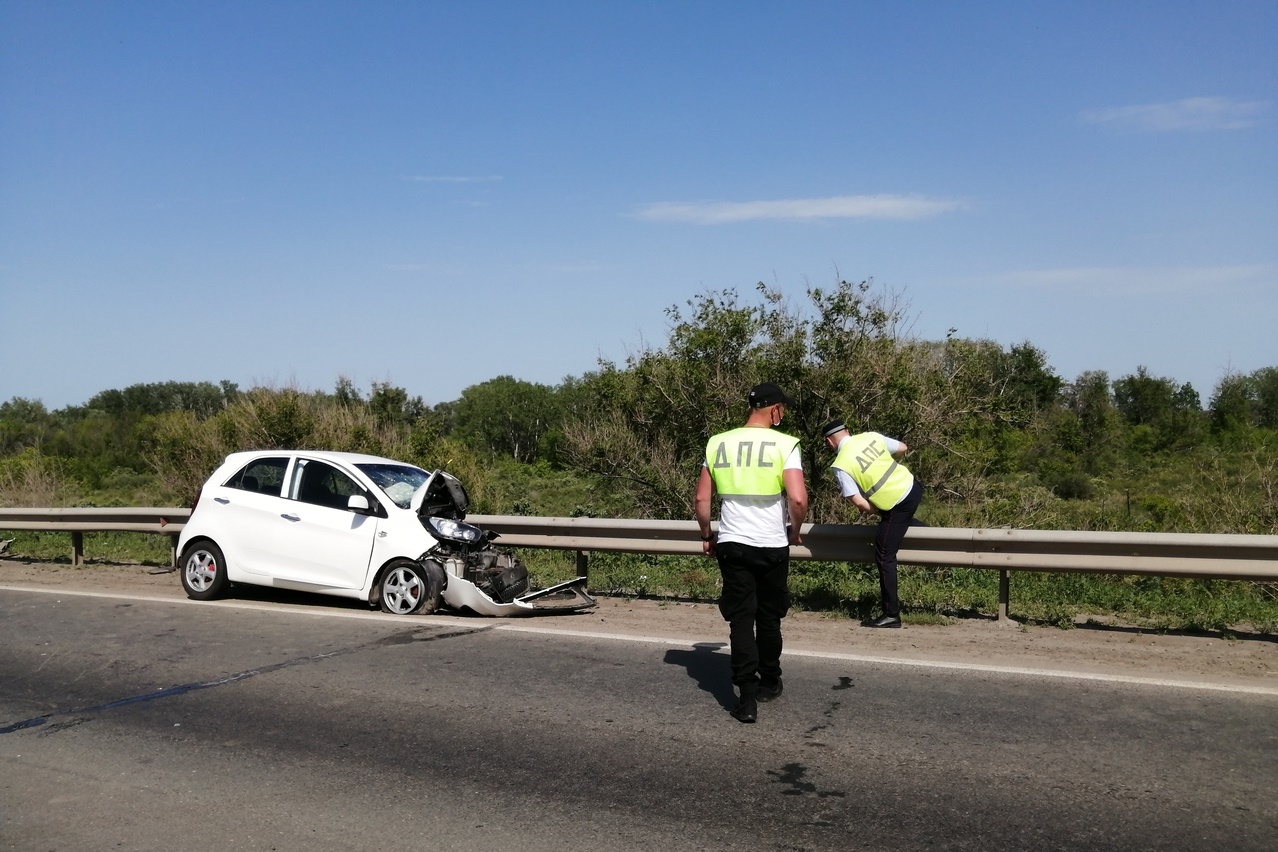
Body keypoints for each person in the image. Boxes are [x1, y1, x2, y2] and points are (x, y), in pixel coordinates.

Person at [695, 382, 808, 723]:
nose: (783, 414)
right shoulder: (785, 444)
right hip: (771, 543)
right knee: (769, 616)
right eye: (782, 410)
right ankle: (770, 681)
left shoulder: (717, 443)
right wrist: (795, 531)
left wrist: (707, 534)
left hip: (732, 542)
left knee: (741, 619)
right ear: (774, 410)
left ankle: (745, 696)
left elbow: (702, 500)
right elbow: (798, 499)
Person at [821, 418, 925, 628]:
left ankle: (891, 615)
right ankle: (938, 539)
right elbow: (903, 448)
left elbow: (859, 503)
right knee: (900, 524)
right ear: (848, 431)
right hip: (913, 487)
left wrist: (877, 508)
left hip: (895, 504)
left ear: (829, 442)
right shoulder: (871, 437)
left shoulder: (840, 465)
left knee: (884, 555)